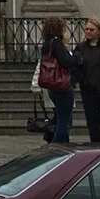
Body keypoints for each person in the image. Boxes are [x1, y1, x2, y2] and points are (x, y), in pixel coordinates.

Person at [38, 15, 77, 144]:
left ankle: (64, 145)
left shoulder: (47, 44)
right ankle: (57, 147)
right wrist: (77, 58)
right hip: (62, 84)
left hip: (52, 85)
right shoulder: (56, 42)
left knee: (62, 118)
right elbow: (66, 61)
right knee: (64, 122)